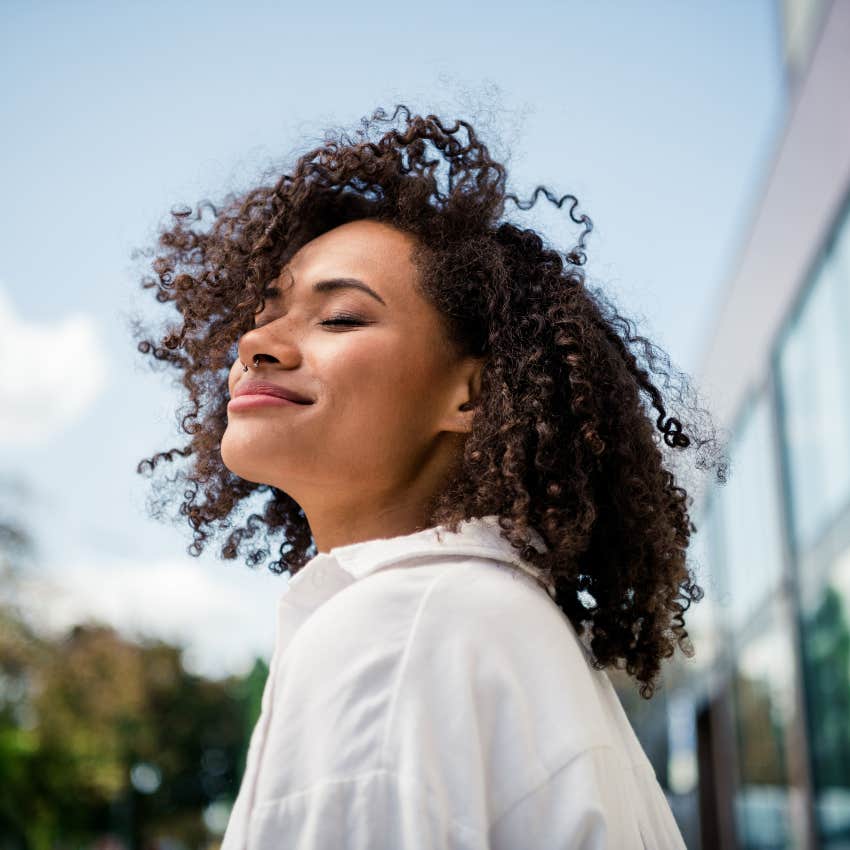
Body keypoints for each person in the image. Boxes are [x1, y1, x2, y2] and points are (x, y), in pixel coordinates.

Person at [133, 105, 726, 848]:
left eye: (341, 317)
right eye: (265, 313)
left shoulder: (393, 641)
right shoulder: (498, 635)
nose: (257, 342)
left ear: (471, 395)